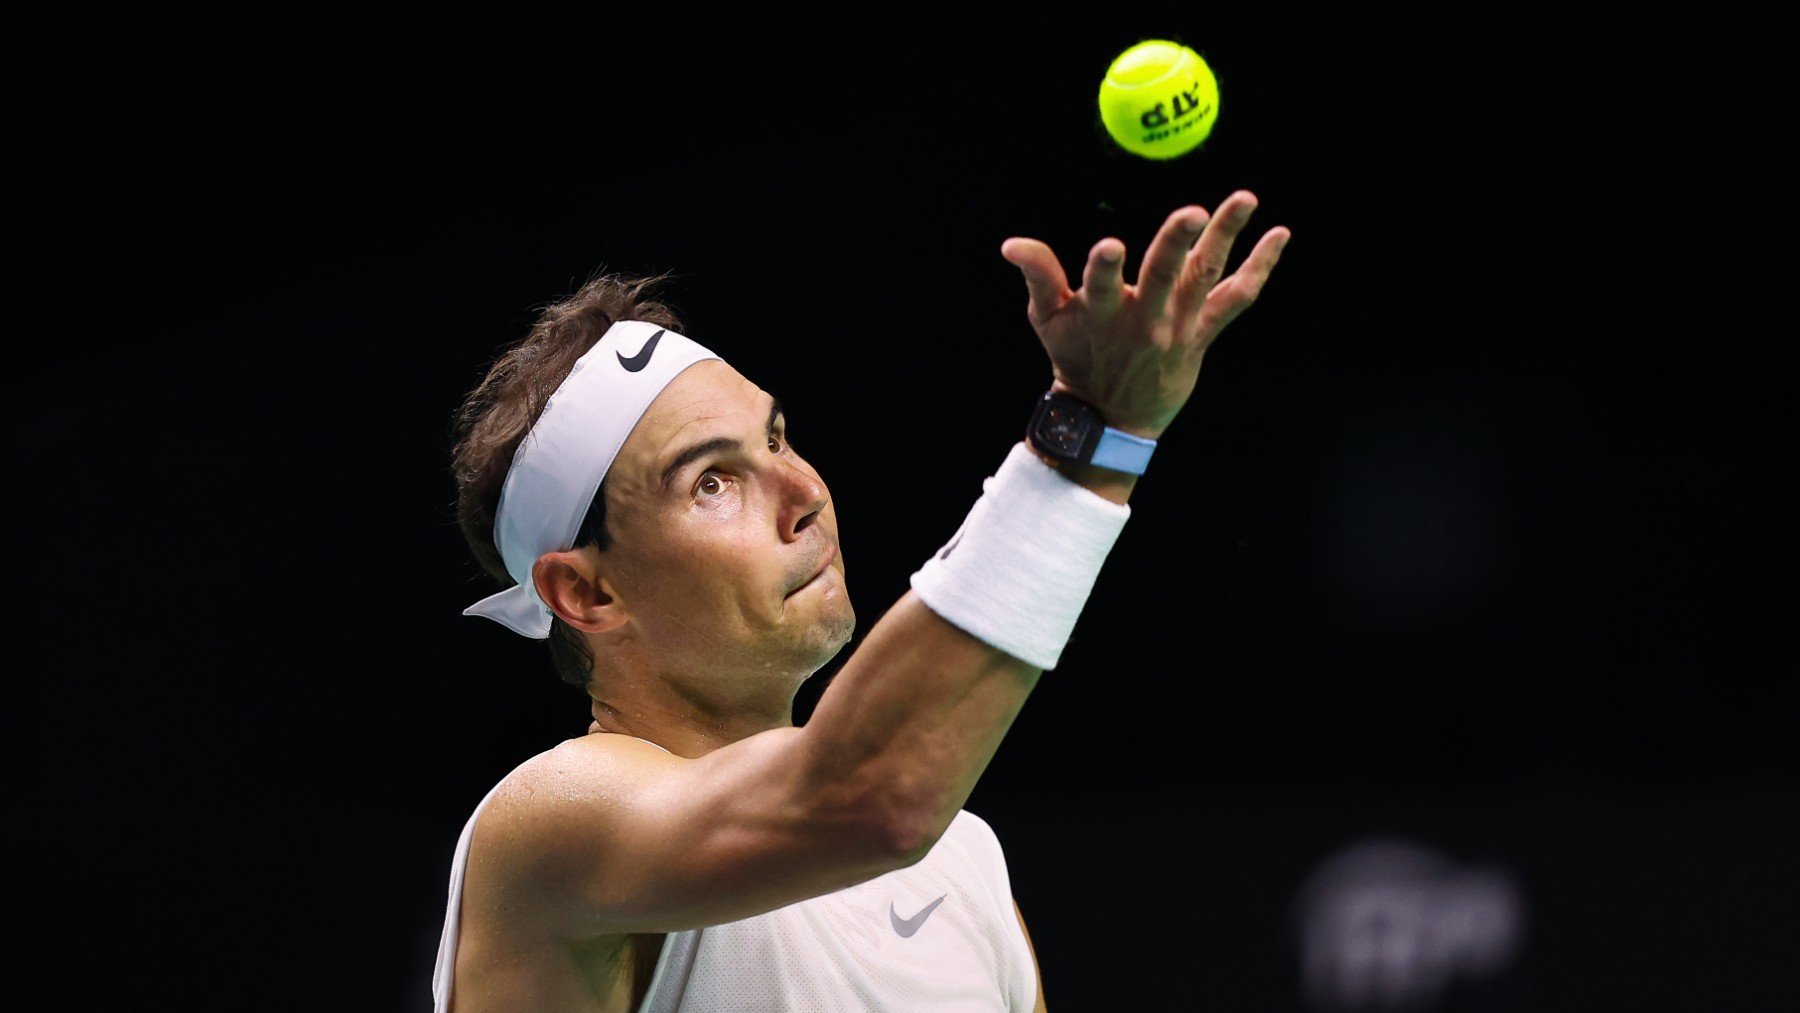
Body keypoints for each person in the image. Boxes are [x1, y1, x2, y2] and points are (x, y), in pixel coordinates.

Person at [434, 191, 1290, 1011]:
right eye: (713, 482)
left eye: (776, 436)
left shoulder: (964, 860)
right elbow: (870, 797)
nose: (802, 488)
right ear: (587, 591)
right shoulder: (550, 828)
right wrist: (1091, 438)